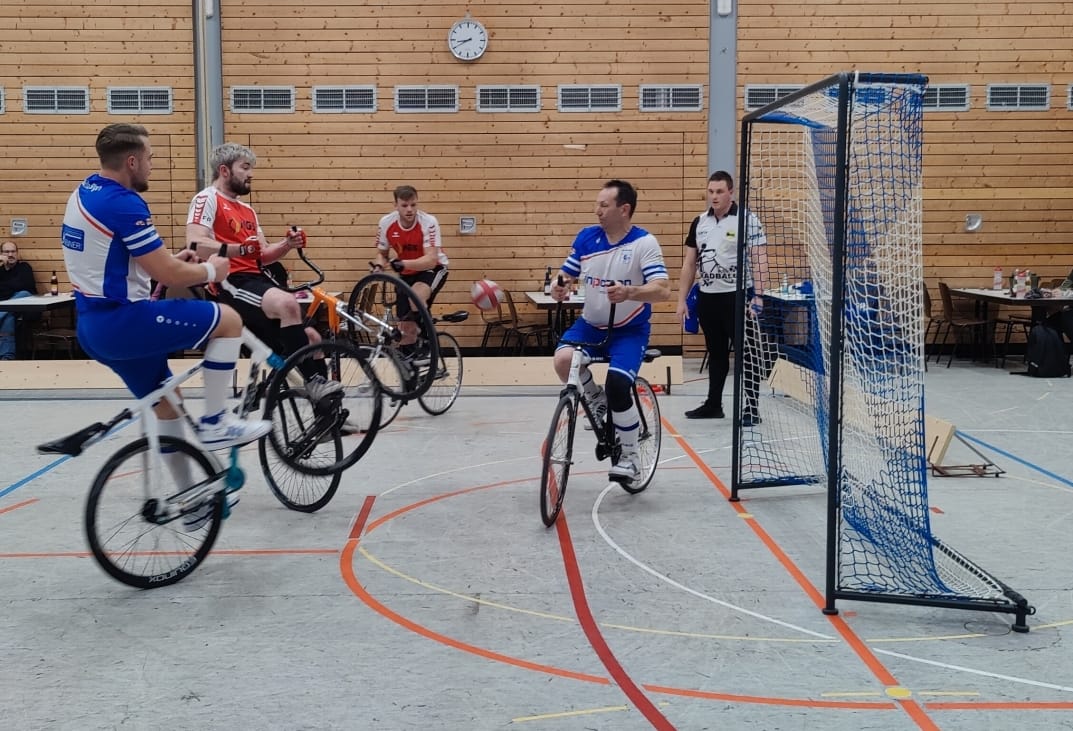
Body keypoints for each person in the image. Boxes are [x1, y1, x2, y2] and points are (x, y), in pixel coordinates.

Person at [60, 123, 271, 450]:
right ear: (132, 162)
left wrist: (168, 259)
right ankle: (216, 423)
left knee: (167, 404)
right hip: (123, 322)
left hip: (91, 326)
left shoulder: (84, 192)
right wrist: (209, 271)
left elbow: (110, 257)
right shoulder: (124, 203)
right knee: (228, 320)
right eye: (149, 158)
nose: (152, 165)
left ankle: (186, 499)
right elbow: (171, 277)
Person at [185, 142, 338, 398]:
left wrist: (287, 244)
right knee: (288, 304)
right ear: (224, 170)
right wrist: (238, 250)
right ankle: (314, 383)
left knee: (311, 338)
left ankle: (326, 411)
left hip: (257, 281)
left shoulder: (248, 211)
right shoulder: (206, 199)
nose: (251, 174)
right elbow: (196, 243)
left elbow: (263, 255)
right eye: (245, 167)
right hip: (230, 283)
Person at [549, 179, 670, 485]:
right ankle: (595, 399)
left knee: (618, 385)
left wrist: (631, 292)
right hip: (590, 325)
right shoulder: (587, 238)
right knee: (562, 361)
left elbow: (662, 290)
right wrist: (559, 286)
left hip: (629, 330)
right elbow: (567, 273)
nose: (597, 211)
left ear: (624, 209)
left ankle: (630, 459)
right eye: (597, 205)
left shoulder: (644, 243)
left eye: (604, 205)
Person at [675, 170, 768, 425]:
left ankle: (751, 407)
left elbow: (759, 259)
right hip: (708, 298)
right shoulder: (699, 222)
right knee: (715, 353)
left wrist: (758, 296)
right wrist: (682, 299)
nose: (714, 196)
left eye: (719, 191)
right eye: (711, 191)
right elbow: (689, 264)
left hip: (737, 298)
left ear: (731, 192)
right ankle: (713, 404)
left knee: (746, 353)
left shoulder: (747, 220)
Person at [372, 185, 449, 357]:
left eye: (413, 205)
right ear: (396, 205)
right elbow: (381, 254)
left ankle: (429, 342)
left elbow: (430, 259)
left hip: (433, 268)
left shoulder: (428, 222)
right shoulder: (386, 223)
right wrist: (378, 266)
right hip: (406, 272)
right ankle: (410, 369)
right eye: (404, 205)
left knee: (416, 296)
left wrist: (404, 263)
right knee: (405, 327)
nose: (409, 210)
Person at [0, 240, 38, 360]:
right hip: (9, 310)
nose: (10, 254)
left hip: (26, 308)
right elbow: (15, 285)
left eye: (13, 251)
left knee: (24, 293)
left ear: (17, 253)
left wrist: (6, 287)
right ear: (1, 254)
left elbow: (26, 285)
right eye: (6, 252)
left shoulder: (24, 267)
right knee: (9, 314)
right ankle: (7, 357)